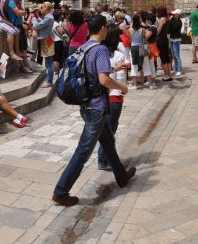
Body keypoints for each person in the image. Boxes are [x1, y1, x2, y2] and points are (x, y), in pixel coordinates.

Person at [51, 15, 137, 207]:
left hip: (87, 104)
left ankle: (121, 177)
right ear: (103, 29)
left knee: (107, 141)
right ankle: (61, 191)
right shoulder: (100, 50)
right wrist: (122, 88)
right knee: (83, 150)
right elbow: (104, 80)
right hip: (96, 107)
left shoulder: (83, 47)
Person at [97, 31, 131, 171]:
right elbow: (121, 76)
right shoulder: (117, 55)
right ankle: (104, 159)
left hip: (100, 96)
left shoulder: (99, 54)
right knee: (111, 130)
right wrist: (123, 89)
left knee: (104, 129)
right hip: (115, 95)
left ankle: (104, 159)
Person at [33, 2, 57, 88]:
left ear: (46, 7)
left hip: (46, 40)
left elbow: (37, 26)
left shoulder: (48, 18)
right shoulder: (48, 17)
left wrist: (34, 19)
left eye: (42, 6)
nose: (41, 8)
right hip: (48, 39)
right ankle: (49, 80)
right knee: (48, 61)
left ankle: (49, 81)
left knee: (49, 62)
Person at [168, 9, 183, 76]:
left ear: (178, 15)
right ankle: (176, 68)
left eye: (174, 14)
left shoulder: (179, 21)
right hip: (172, 39)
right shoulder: (173, 20)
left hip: (176, 39)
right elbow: (169, 29)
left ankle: (179, 69)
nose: (173, 15)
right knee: (174, 55)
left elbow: (173, 28)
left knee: (177, 55)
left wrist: (170, 21)